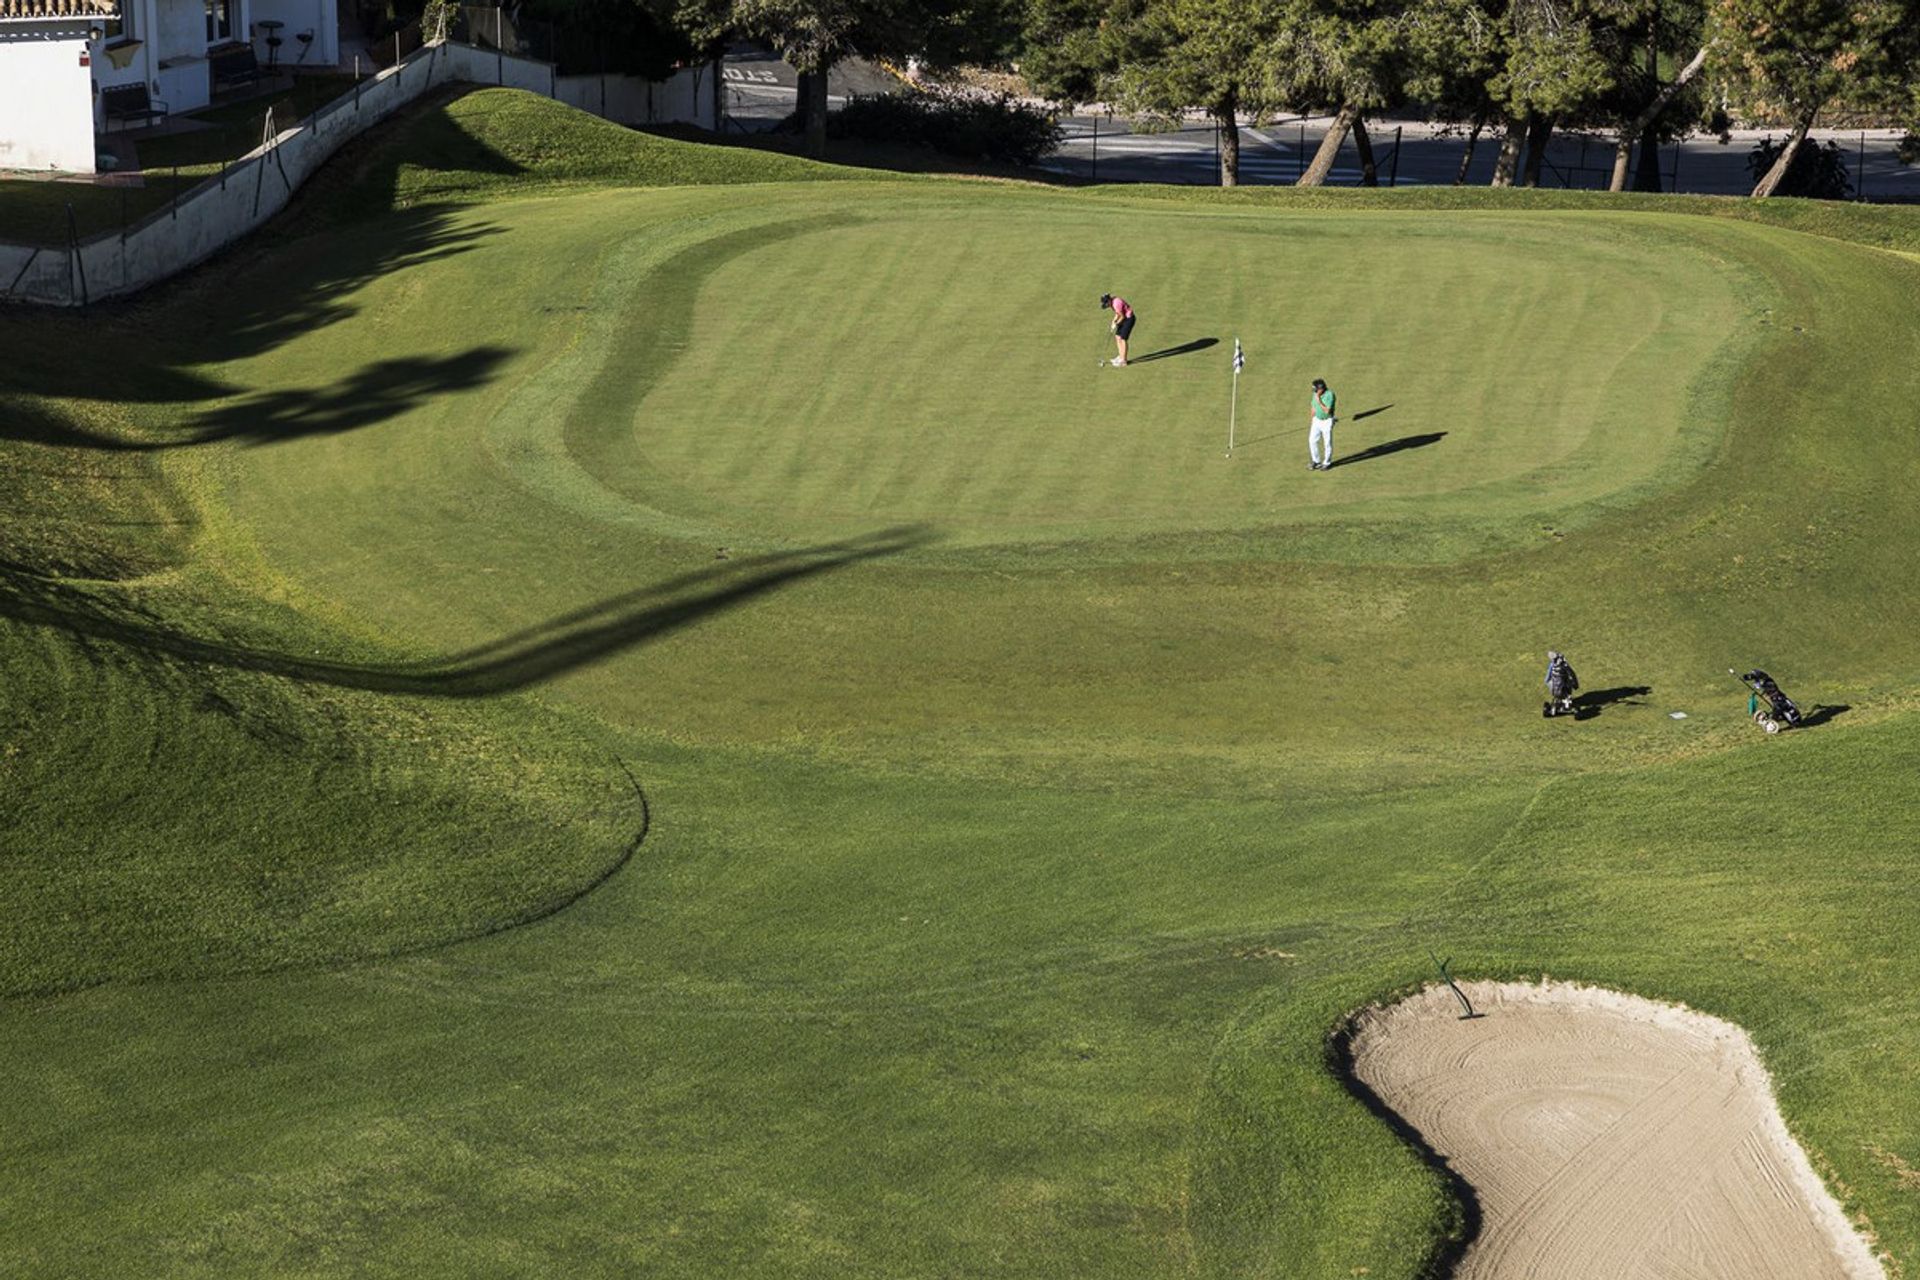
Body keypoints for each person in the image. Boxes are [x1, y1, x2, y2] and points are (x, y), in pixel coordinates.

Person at [1100, 293, 1136, 367]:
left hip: (1129, 319)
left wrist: (1116, 324)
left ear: (1109, 300)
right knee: (1117, 337)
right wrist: (1113, 322)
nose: (1106, 305)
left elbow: (1122, 316)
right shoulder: (1112, 303)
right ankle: (1121, 356)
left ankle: (1124, 361)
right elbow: (1117, 314)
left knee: (1123, 339)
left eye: (1106, 303)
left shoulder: (1116, 303)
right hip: (1124, 318)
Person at [1308, 378, 1337, 470]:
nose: (1315, 391)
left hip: (1327, 421)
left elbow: (1327, 411)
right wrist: (1312, 419)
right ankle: (1316, 461)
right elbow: (1313, 407)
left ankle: (1327, 463)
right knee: (1312, 440)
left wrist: (1319, 400)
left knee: (1327, 442)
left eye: (1316, 389)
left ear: (1321, 388)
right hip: (1316, 420)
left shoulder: (1330, 395)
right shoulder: (1315, 394)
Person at [1543, 650, 1579, 718]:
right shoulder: (1564, 665)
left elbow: (1547, 679)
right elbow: (1572, 674)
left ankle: (1557, 704)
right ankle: (1566, 702)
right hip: (1565, 689)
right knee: (1569, 682)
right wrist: (1575, 685)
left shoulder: (1552, 665)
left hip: (1554, 690)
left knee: (1556, 692)